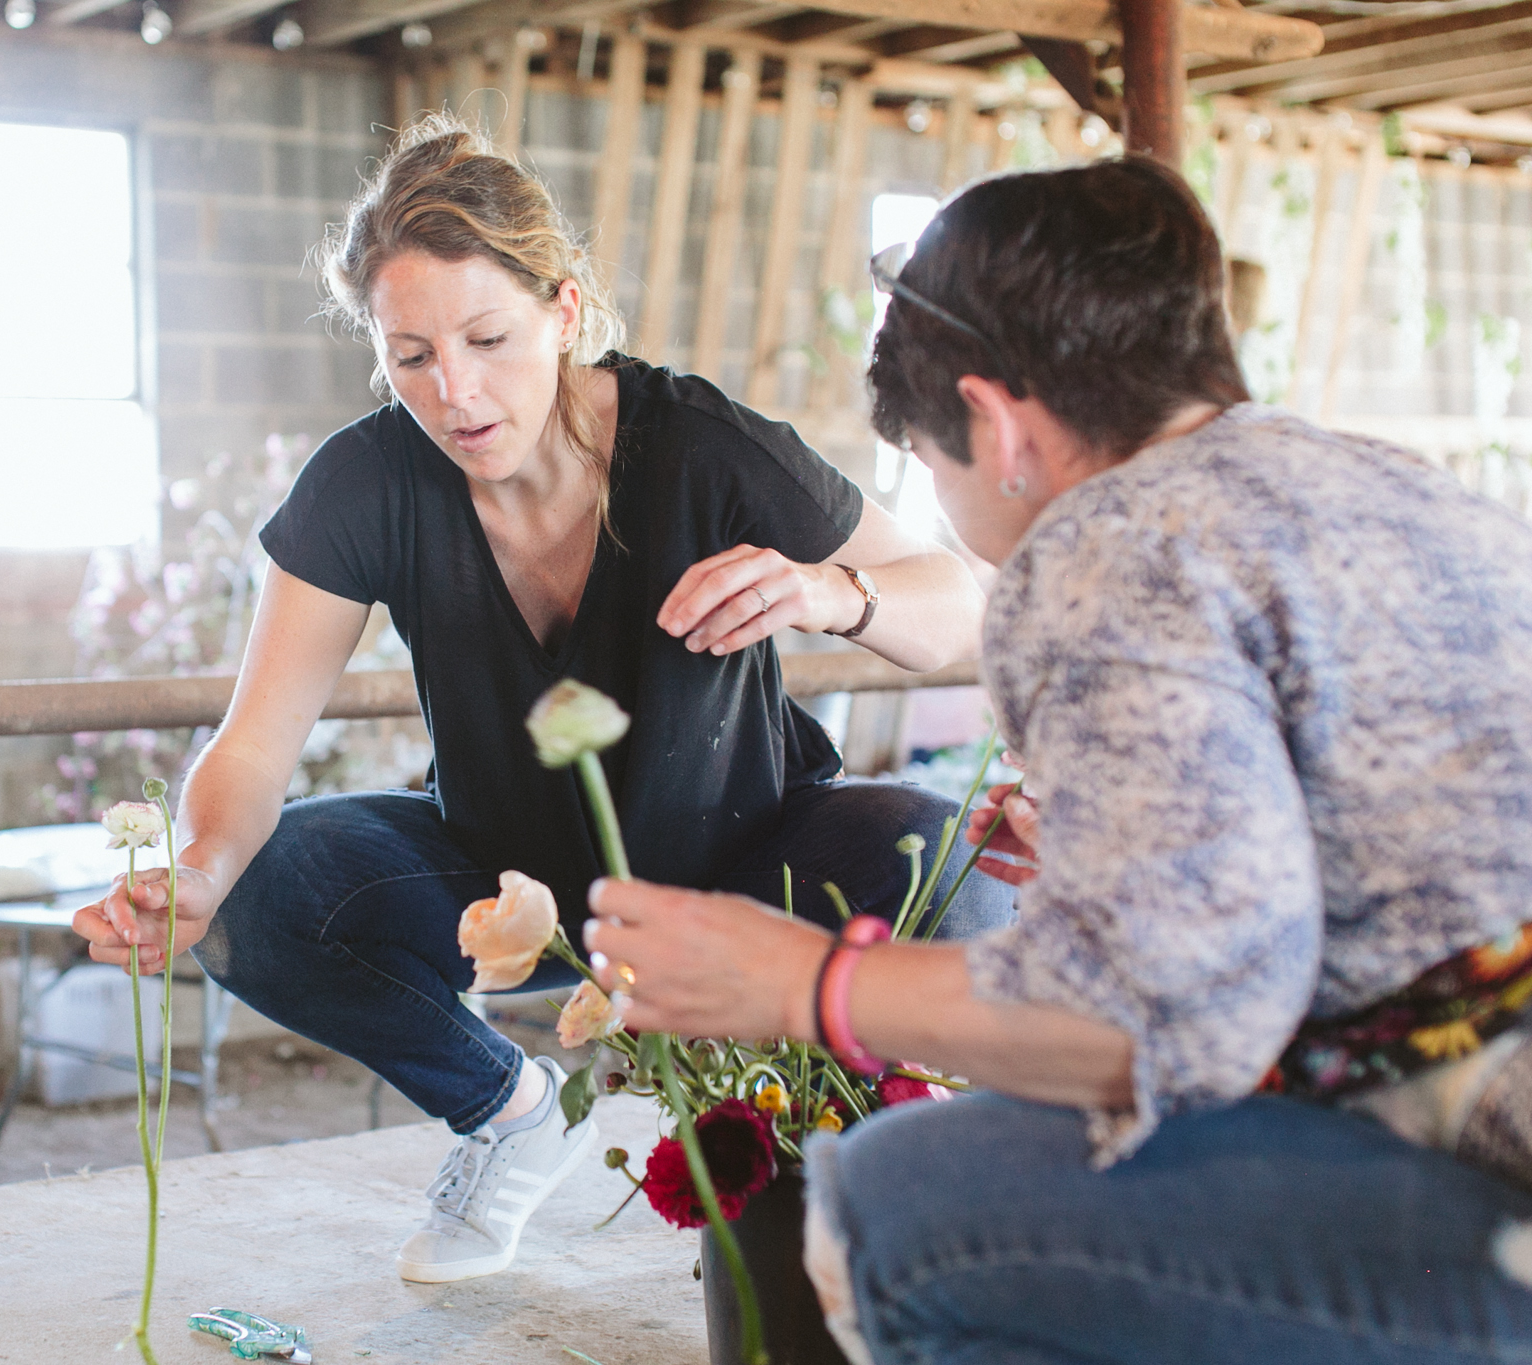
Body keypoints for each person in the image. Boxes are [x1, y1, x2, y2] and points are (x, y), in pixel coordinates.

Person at [582, 156, 1532, 1363]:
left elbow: (1161, 1019)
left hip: (1493, 1169)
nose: (946, 498)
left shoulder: (1098, 546)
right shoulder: (1385, 483)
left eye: (931, 464)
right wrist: (1112, 852)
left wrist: (807, 984)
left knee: (893, 1206)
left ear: (996, 423)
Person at [73, 114, 1010, 1284]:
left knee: (950, 868)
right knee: (263, 888)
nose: (453, 392)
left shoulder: (700, 445)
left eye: (485, 337)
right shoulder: (365, 481)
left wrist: (830, 592)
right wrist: (199, 872)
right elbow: (253, 748)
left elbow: (957, 603)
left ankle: (860, 1180)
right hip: (503, 890)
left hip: (746, 861)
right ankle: (513, 1116)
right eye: (408, 355)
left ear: (563, 311)